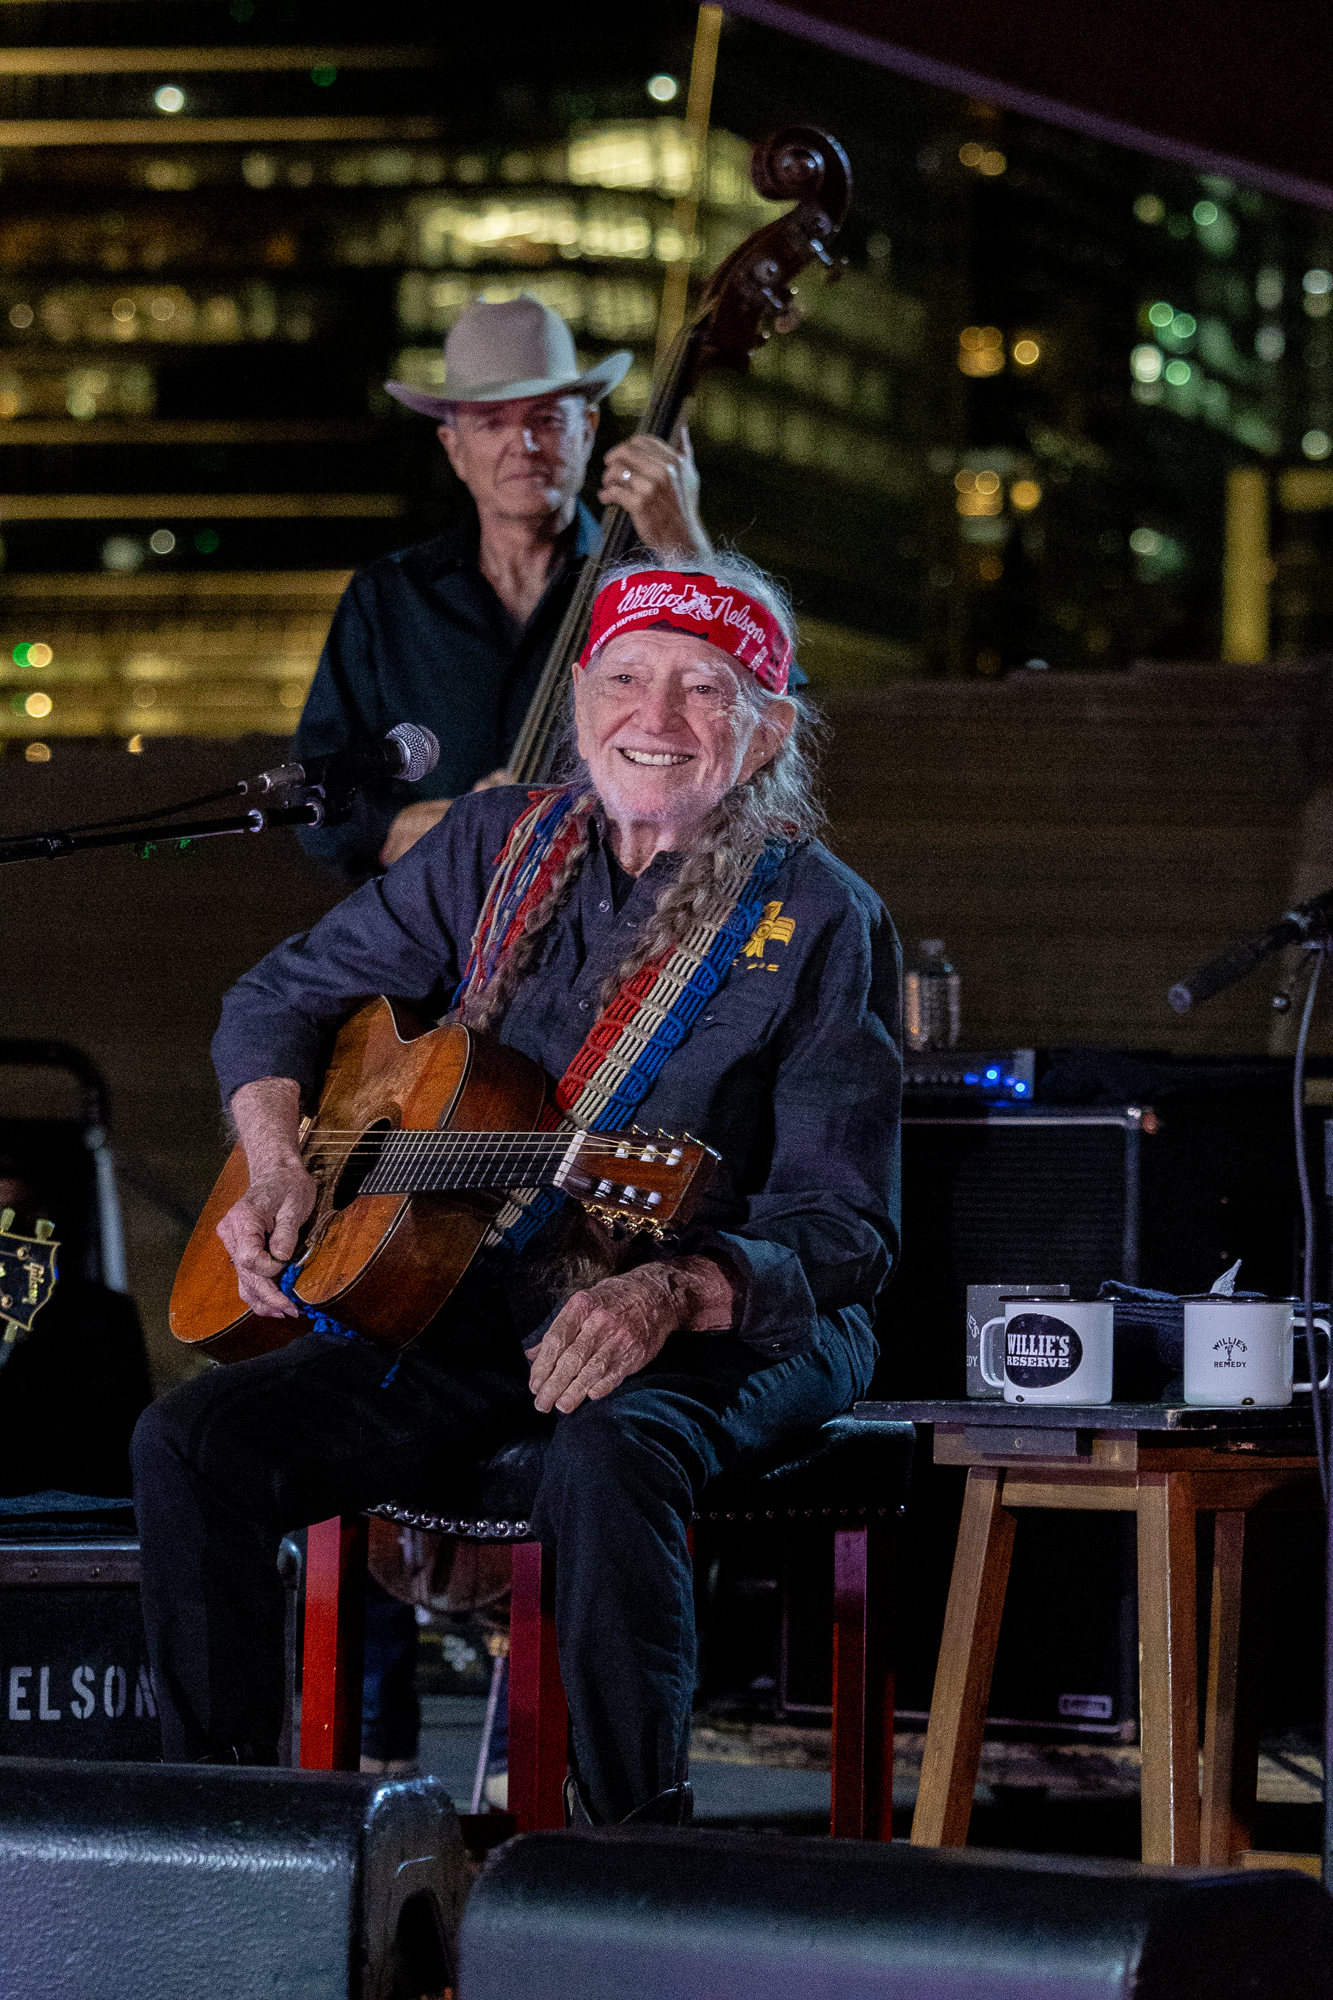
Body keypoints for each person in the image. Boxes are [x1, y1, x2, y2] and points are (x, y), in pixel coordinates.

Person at [132, 553, 901, 1823]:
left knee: (607, 1448)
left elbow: (846, 1227)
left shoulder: (819, 915)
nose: (653, 720)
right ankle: (220, 1837)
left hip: (744, 1311)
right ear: (581, 698)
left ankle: (624, 1863)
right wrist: (277, 1162)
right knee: (190, 1440)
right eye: (626, 679)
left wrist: (675, 1284)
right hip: (482, 1290)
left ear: (764, 732)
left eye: (702, 690)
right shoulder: (494, 841)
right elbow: (277, 998)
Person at [295, 293, 713, 881]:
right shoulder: (385, 599)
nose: (523, 445)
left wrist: (687, 552)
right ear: (454, 450)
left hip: (620, 928)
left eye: (546, 418)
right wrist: (390, 830)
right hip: (435, 945)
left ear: (587, 431)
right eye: (492, 423)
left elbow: (766, 721)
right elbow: (315, 782)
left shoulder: (656, 586)